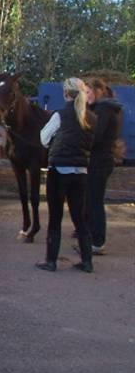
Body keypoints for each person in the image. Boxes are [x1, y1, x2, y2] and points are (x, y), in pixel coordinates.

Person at [37, 78, 96, 273]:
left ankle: (51, 261)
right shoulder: (92, 118)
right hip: (81, 172)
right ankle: (87, 261)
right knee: (79, 218)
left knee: (55, 217)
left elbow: (44, 138)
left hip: (59, 170)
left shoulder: (59, 115)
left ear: (65, 94)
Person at [83, 78, 123, 255]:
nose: (86, 95)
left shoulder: (103, 110)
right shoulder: (101, 109)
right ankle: (91, 236)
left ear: (99, 91)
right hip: (99, 160)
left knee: (95, 201)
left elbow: (96, 137)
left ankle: (98, 242)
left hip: (99, 161)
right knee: (91, 199)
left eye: (89, 91)